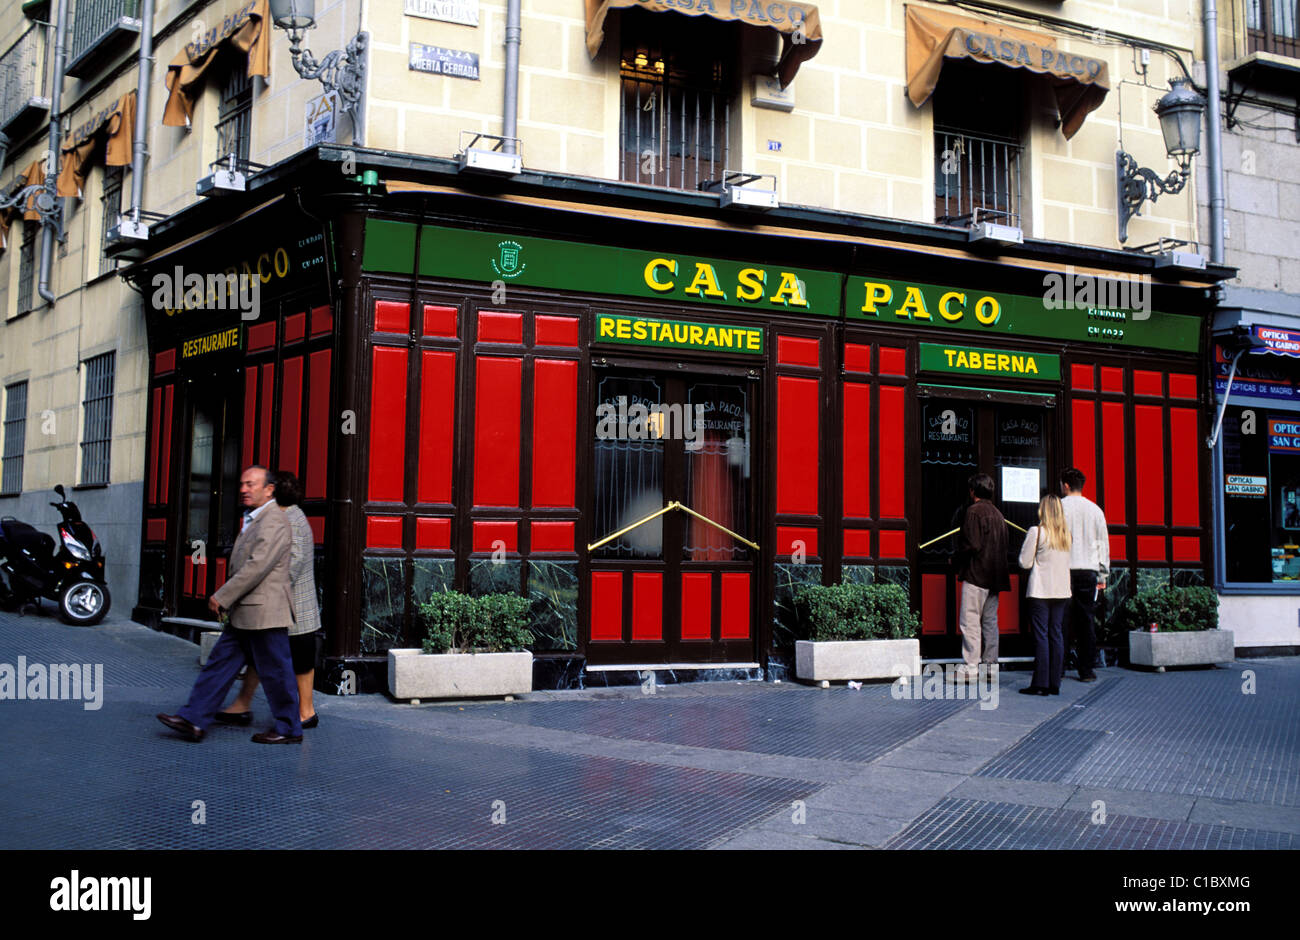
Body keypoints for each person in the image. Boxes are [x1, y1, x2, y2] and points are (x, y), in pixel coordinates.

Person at [156, 465, 303, 743]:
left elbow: (256, 567)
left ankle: (289, 728)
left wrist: (222, 596)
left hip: (264, 614)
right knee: (219, 665)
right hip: (246, 613)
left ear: (269, 489)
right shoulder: (255, 518)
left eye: (251, 485)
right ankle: (194, 719)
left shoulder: (273, 520)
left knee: (276, 673)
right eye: (243, 484)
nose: (244, 489)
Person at [214, 471, 321, 728]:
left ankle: (305, 713)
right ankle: (243, 704)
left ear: (274, 492)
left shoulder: (290, 519)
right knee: (260, 657)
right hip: (281, 608)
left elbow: (290, 567)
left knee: (297, 662)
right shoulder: (285, 516)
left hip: (293, 610)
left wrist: (254, 591)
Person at [954, 472, 1010, 679]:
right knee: (989, 623)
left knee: (970, 623)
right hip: (995, 578)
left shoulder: (973, 512)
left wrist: (956, 557)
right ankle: (990, 667)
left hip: (976, 575)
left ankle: (971, 668)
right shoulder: (998, 515)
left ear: (972, 491)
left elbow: (973, 545)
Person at [1018, 493, 1072, 696]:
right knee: (1056, 634)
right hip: (1061, 590)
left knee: (1041, 635)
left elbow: (1024, 562)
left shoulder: (1036, 532)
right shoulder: (1066, 535)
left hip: (1040, 590)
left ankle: (1040, 682)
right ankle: (1054, 682)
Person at [1060, 467, 1110, 682]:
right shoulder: (1095, 510)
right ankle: (1086, 670)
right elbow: (1102, 544)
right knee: (1086, 622)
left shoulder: (1059, 508)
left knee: (1061, 621)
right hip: (1088, 571)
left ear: (1066, 485)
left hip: (1063, 569)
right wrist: (1102, 574)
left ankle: (1058, 668)